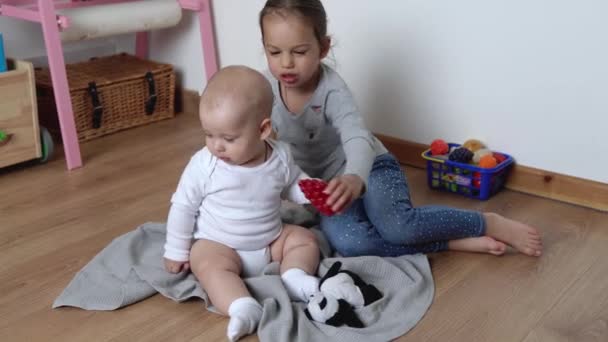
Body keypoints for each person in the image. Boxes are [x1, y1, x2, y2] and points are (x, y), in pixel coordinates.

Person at [258, 0, 542, 258]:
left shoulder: (332, 90)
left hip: (370, 167)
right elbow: (244, 129)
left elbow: (356, 135)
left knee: (398, 227)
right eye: (274, 52)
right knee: (350, 243)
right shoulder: (262, 90)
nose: (286, 63)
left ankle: (485, 222)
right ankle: (448, 242)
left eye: (299, 51)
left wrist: (355, 177)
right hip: (331, 190)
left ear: (323, 48)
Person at [163, 66, 321, 341]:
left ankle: (295, 276)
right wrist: (176, 249)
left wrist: (312, 191)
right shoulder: (205, 165)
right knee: (204, 261)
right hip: (221, 245)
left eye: (228, 138)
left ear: (263, 130)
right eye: (209, 135)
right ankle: (242, 307)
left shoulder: (279, 157)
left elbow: (293, 182)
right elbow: (183, 206)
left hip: (271, 241)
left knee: (304, 239)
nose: (216, 146)